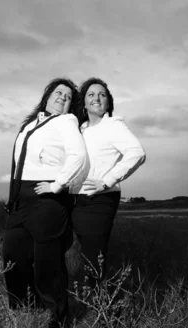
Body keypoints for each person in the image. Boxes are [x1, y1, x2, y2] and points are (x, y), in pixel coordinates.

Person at [2, 77, 88, 328]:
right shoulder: (30, 124)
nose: (62, 97)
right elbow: (19, 163)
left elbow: (78, 156)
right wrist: (13, 196)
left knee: (47, 262)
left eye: (68, 97)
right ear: (47, 95)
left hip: (47, 197)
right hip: (21, 198)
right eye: (58, 92)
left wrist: (57, 184)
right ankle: (24, 310)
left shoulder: (66, 121)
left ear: (71, 106)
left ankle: (57, 321)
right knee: (13, 256)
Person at [71, 77, 146, 280]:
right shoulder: (79, 129)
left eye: (102, 94)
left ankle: (103, 308)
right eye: (91, 94)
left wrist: (106, 181)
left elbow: (137, 153)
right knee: (81, 254)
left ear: (108, 102)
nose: (97, 98)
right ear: (84, 102)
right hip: (74, 201)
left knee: (93, 258)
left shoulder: (113, 125)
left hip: (99, 200)